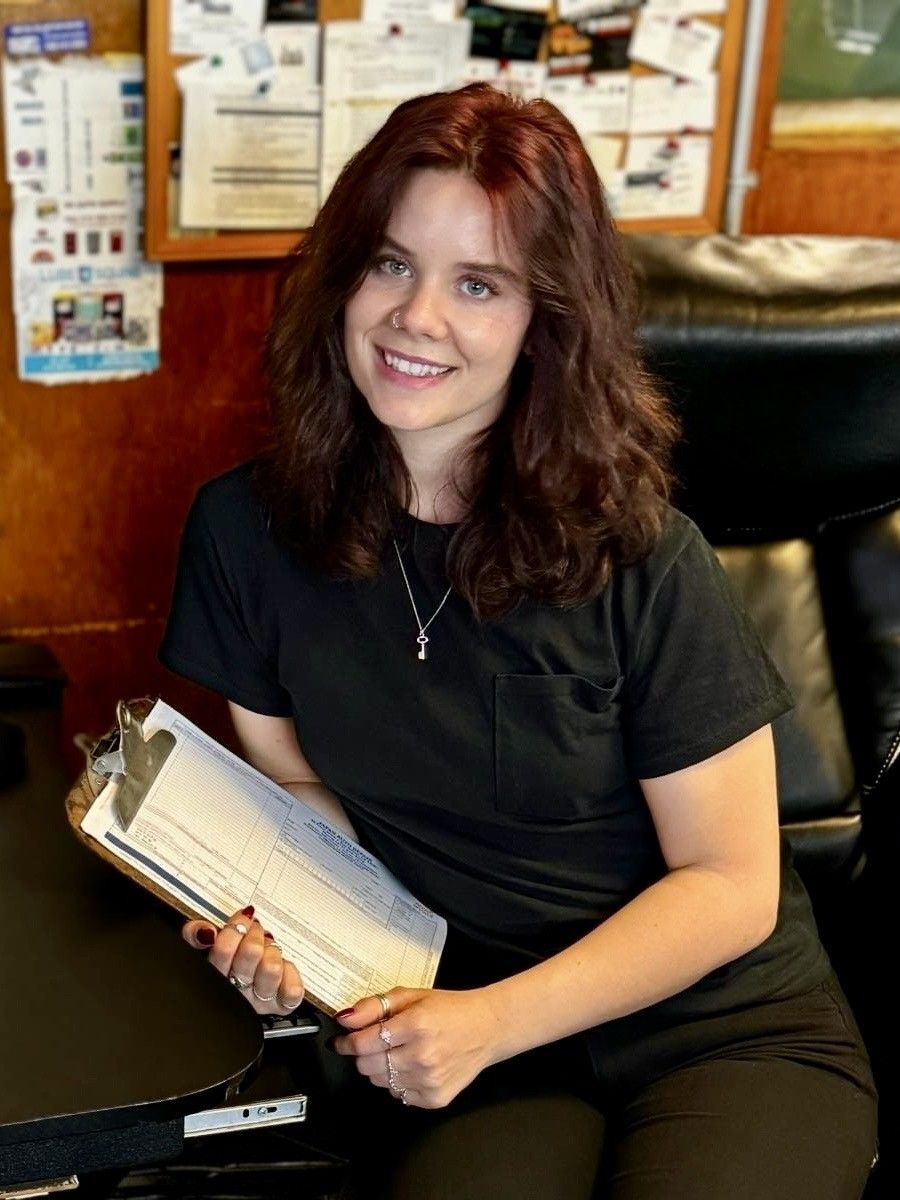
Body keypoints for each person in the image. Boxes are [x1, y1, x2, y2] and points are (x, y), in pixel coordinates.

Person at [160, 83, 877, 1199]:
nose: (416, 317)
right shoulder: (246, 531)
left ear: (548, 323)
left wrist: (491, 1022)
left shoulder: (644, 554)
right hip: (471, 1039)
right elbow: (297, 781)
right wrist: (283, 928)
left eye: (478, 284)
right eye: (391, 263)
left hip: (720, 1025)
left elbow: (731, 884)